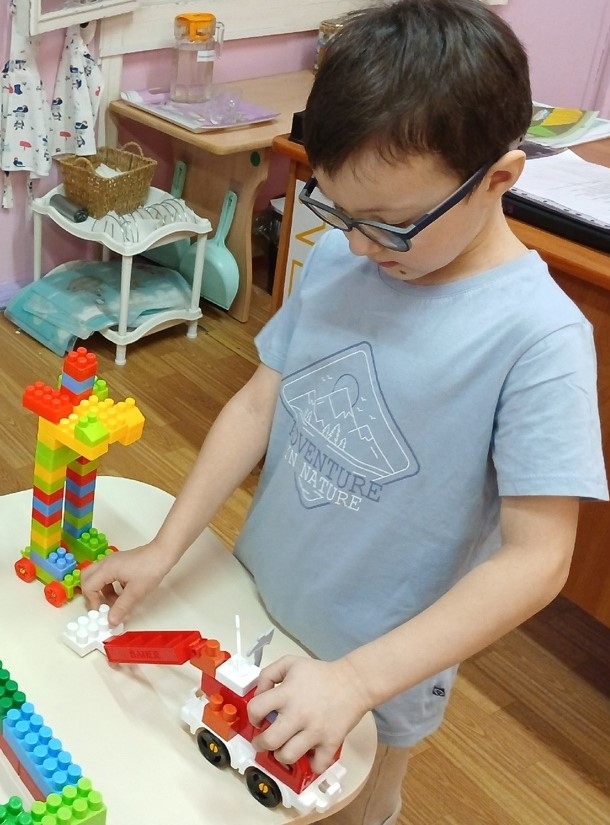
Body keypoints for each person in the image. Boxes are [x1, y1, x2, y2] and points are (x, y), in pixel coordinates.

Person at [81, 1, 608, 822]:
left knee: (350, 805)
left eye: (391, 226)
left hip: (376, 674)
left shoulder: (539, 338)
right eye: (338, 209)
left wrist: (359, 679)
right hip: (257, 603)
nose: (358, 245)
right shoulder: (341, 257)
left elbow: (538, 560)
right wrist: (166, 545)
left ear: (499, 178)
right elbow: (261, 401)